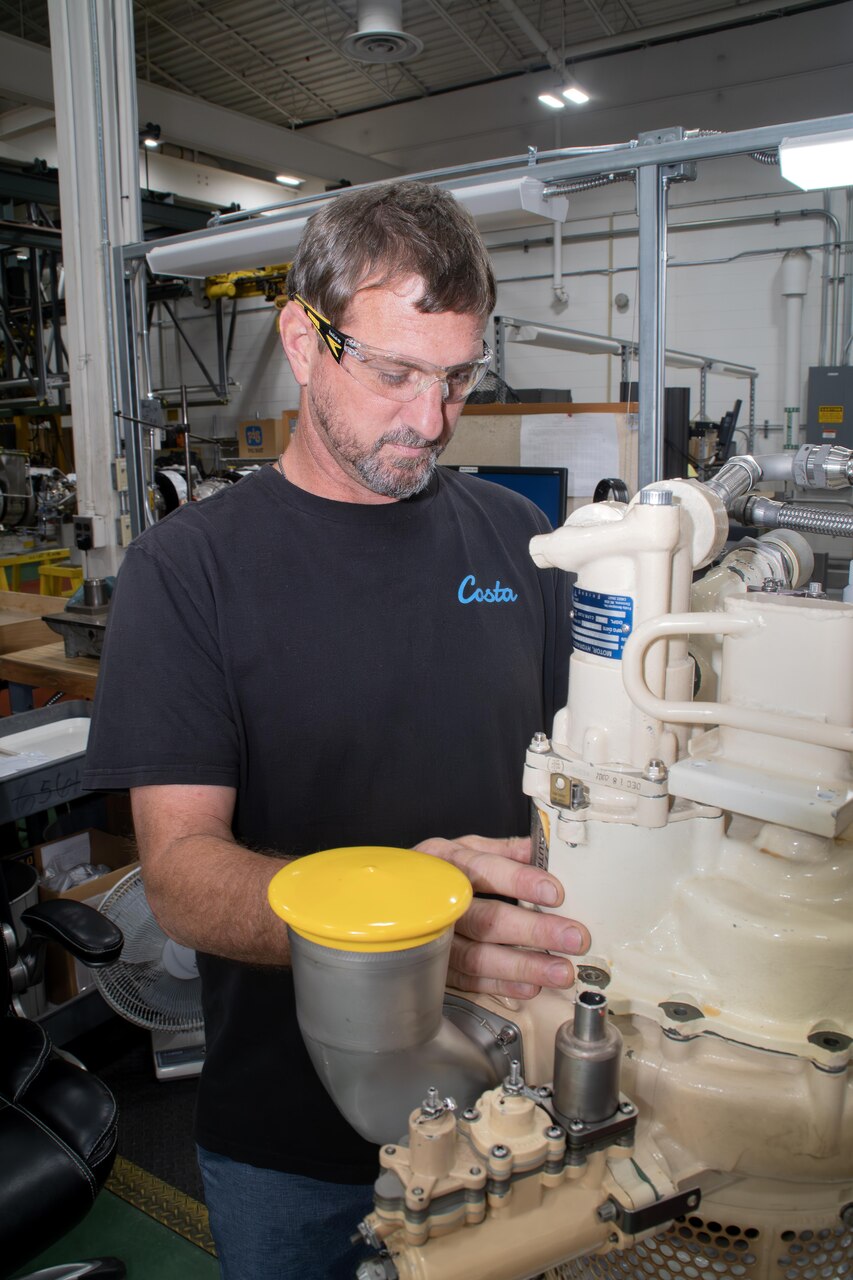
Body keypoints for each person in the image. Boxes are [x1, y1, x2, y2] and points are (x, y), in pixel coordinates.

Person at [83, 180, 588, 1280]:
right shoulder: (189, 574)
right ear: (302, 340)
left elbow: (576, 786)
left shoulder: (520, 540)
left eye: (457, 376)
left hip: (507, 1108)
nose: (432, 417)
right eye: (396, 372)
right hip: (293, 1147)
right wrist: (403, 930)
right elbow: (178, 876)